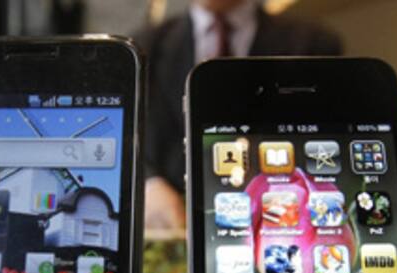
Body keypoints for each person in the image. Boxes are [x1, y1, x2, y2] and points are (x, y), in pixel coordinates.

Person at [135, 0, 342, 229]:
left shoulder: (313, 44)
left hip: (277, 216)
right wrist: (148, 184)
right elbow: (129, 137)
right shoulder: (145, 47)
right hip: (175, 228)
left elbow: (323, 140)